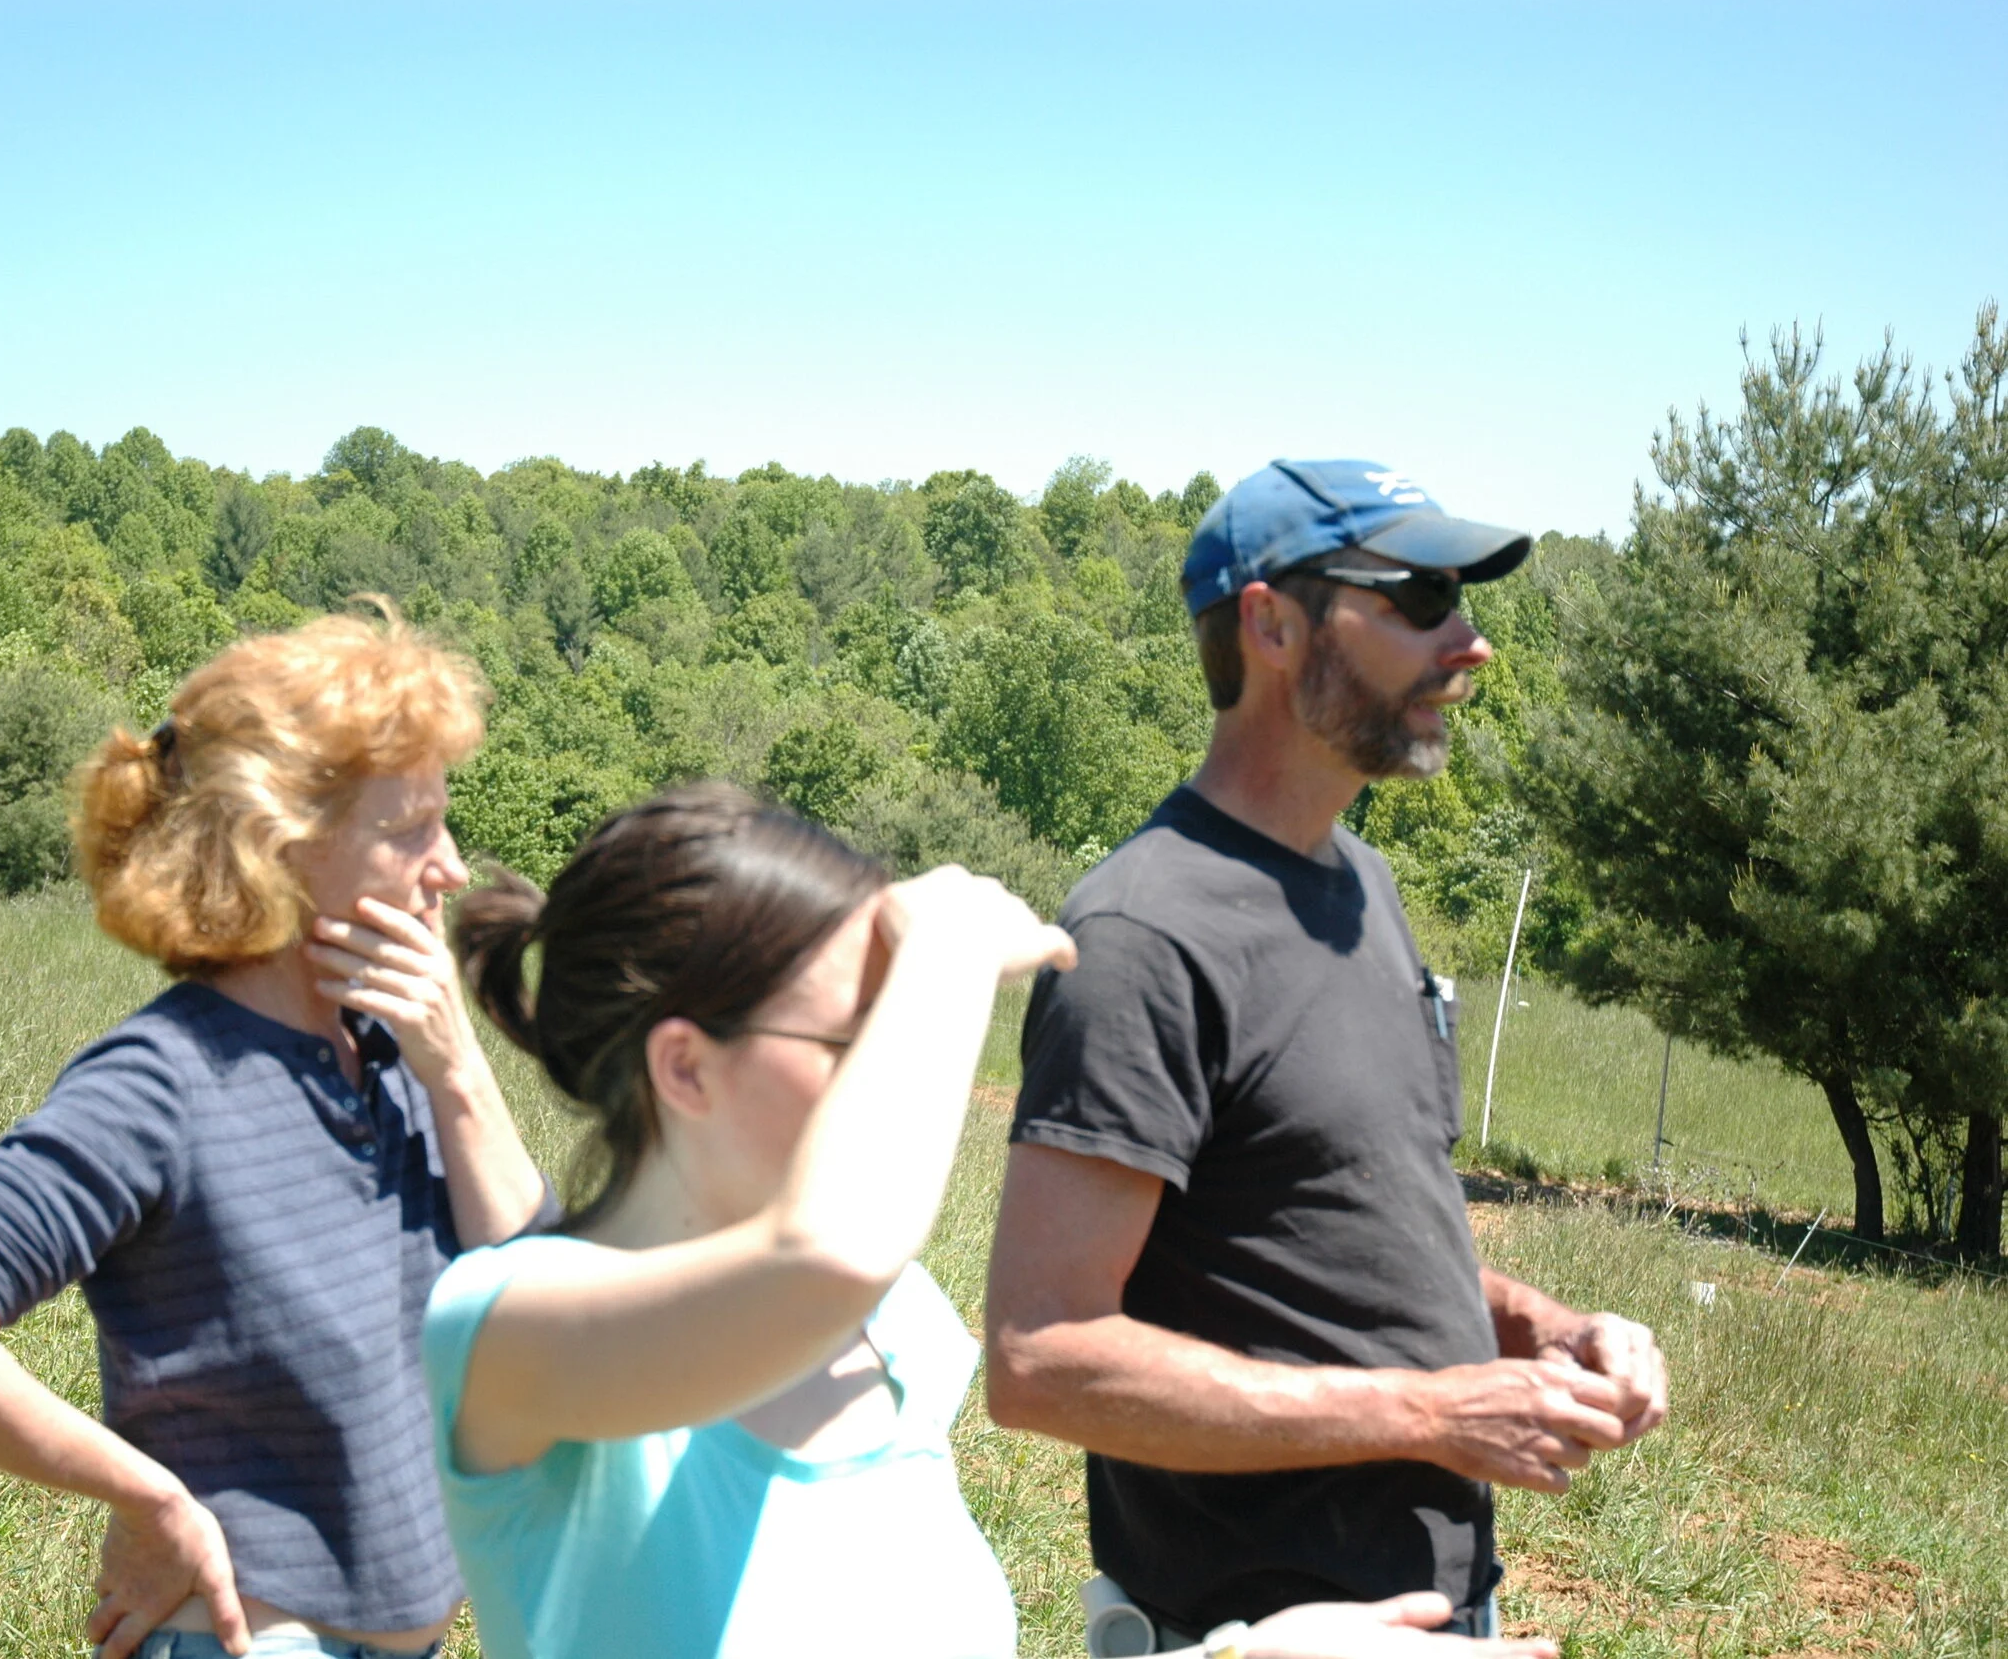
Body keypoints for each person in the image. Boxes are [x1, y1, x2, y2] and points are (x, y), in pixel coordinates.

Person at [418, 783, 1558, 1659]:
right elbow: (827, 1253)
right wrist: (945, 954)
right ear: (686, 1069)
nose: (892, 1071)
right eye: (859, 1036)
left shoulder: (892, 1331)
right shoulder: (507, 1328)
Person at [983, 460, 1670, 1652]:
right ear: (1271, 625)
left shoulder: (1364, 887)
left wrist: (1540, 1327)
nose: (1469, 642)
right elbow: (1038, 1358)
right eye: (1420, 597)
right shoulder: (1144, 936)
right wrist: (1428, 1413)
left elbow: (1335, 1236)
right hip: (1250, 1633)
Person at [0, 609, 552, 1659]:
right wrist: (151, 1499)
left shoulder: (392, 1049)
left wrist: (457, 1069)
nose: (447, 867)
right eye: (409, 829)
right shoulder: (160, 1083)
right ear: (278, 846)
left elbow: (536, 1302)